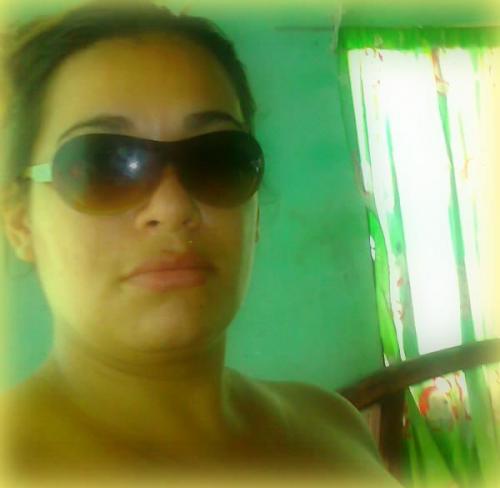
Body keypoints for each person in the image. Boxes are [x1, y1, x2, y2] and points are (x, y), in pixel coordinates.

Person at [0, 0, 397, 484]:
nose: (172, 207)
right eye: (103, 165)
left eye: (217, 160)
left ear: (254, 216)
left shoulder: (333, 423)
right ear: (20, 223)